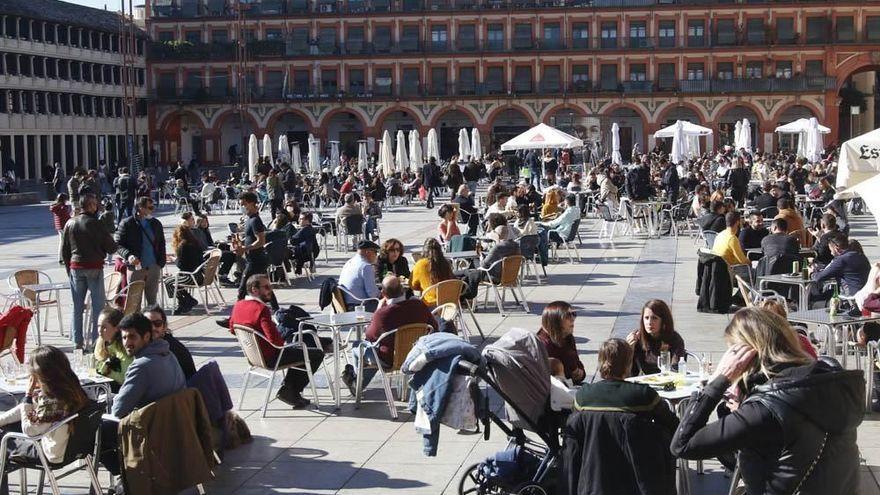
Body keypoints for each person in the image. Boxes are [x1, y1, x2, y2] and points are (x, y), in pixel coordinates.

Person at [671, 308, 862, 495]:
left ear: (745, 356)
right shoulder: (828, 381)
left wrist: (717, 381)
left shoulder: (765, 409)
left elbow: (682, 444)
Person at [563, 338, 679, 495]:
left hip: (594, 476)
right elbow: (673, 425)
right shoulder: (643, 395)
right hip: (637, 479)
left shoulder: (583, 396)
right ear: (628, 363)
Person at [229, 275, 324, 408]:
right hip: (271, 357)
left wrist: (253, 338)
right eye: (266, 287)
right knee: (316, 353)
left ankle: (290, 390)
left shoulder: (238, 305)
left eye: (271, 286)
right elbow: (276, 342)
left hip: (254, 357)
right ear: (254, 289)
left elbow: (233, 329)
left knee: (299, 351)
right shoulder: (261, 309)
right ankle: (290, 390)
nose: (270, 290)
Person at [341, 275, 437, 394]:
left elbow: (369, 337)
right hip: (416, 355)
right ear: (403, 290)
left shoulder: (383, 314)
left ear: (384, 294)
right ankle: (355, 381)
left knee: (358, 346)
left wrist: (378, 310)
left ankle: (357, 385)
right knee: (375, 350)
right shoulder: (419, 305)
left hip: (389, 359)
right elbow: (434, 327)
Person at [0, 346, 89, 468]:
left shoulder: (52, 401)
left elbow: (30, 430)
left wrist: (28, 396)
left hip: (49, 453)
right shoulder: (71, 389)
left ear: (41, 374)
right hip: (72, 448)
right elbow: (26, 410)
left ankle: (2, 485)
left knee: (2, 437)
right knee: (6, 425)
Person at [61, 193, 117, 349]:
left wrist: (69, 270)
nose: (97, 206)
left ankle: (77, 341)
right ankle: (95, 342)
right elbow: (111, 246)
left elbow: (64, 250)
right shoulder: (96, 223)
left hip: (75, 267)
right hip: (94, 267)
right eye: (95, 204)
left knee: (77, 306)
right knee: (98, 307)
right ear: (91, 206)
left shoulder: (70, 223)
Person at [116, 196, 166, 306]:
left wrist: (161, 262)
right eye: (149, 207)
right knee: (134, 303)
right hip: (136, 268)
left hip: (153, 266)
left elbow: (161, 243)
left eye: (153, 207)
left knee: (152, 302)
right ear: (140, 208)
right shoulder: (127, 223)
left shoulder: (155, 223)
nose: (152, 210)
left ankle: (152, 321)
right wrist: (128, 256)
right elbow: (118, 245)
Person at [625, 299, 686, 375]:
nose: (649, 322)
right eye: (646, 318)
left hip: (668, 381)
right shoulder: (637, 337)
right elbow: (628, 373)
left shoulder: (674, 339)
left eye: (654, 318)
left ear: (664, 321)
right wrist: (628, 350)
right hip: (644, 381)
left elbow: (676, 369)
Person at [810, 233, 871, 304]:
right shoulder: (860, 256)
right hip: (865, 293)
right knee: (829, 292)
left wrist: (811, 273)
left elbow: (818, 278)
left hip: (851, 296)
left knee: (815, 298)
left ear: (836, 249)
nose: (831, 253)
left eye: (831, 250)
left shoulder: (841, 260)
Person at [235, 191, 272, 304]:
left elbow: (261, 241)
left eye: (244, 204)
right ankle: (275, 308)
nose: (242, 207)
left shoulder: (255, 220)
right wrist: (240, 241)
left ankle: (234, 317)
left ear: (252, 203)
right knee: (263, 286)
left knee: (242, 288)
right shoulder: (250, 219)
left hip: (256, 260)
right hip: (253, 259)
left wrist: (245, 249)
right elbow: (250, 237)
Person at [536, 301, 585, 384]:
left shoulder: (567, 337)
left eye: (574, 314)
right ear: (555, 320)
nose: (573, 319)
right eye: (568, 315)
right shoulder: (545, 345)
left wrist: (580, 373)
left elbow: (577, 363)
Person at [144, 305, 197, 381]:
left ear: (164, 326)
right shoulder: (152, 345)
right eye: (147, 324)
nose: (152, 328)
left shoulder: (168, 348)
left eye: (157, 323)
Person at [163, 224, 202, 313]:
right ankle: (186, 300)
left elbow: (181, 265)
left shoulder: (183, 246)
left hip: (190, 277)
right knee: (174, 280)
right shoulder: (196, 243)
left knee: (168, 282)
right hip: (199, 275)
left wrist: (174, 259)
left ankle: (183, 300)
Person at [94, 307, 133, 389]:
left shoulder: (124, 348)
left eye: (104, 327)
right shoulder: (100, 344)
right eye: (98, 326)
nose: (99, 331)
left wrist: (106, 371)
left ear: (117, 328)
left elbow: (124, 378)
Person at [410, 238, 455, 307]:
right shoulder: (446, 263)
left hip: (430, 303)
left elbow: (413, 285)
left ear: (424, 250)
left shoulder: (420, 264)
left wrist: (424, 285)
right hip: (450, 302)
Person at [338, 240, 381, 310]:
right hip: (359, 306)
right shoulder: (365, 266)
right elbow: (372, 294)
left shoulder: (349, 262)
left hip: (347, 303)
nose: (376, 255)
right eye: (376, 252)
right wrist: (383, 293)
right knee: (390, 305)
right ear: (368, 252)